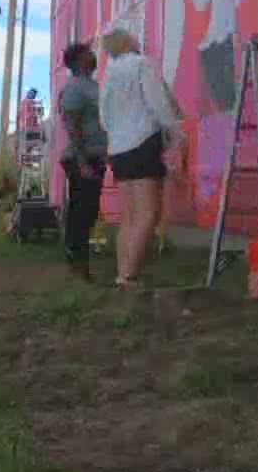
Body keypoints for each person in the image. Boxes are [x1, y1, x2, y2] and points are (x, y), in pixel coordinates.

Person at [98, 26, 183, 293]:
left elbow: (103, 117)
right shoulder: (141, 64)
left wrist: (117, 134)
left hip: (118, 149)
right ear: (128, 41)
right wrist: (176, 133)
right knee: (149, 213)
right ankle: (129, 278)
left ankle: (122, 274)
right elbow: (158, 104)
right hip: (143, 142)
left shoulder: (108, 74)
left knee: (129, 216)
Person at [56, 40, 108, 281]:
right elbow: (71, 124)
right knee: (83, 211)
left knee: (86, 210)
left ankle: (76, 260)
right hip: (81, 159)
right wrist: (83, 162)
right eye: (89, 53)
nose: (94, 55)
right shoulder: (76, 87)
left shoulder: (90, 85)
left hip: (93, 157)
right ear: (79, 61)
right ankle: (78, 263)